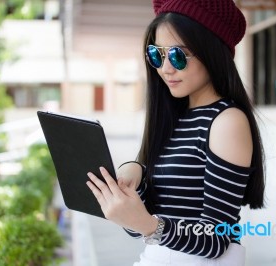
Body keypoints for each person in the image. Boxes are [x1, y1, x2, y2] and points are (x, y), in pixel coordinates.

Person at [86, 0, 266, 265]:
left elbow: (217, 237)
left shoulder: (227, 121)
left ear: (211, 52)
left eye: (178, 56)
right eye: (157, 55)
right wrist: (133, 175)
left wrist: (149, 226)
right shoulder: (171, 118)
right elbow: (140, 226)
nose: (165, 69)